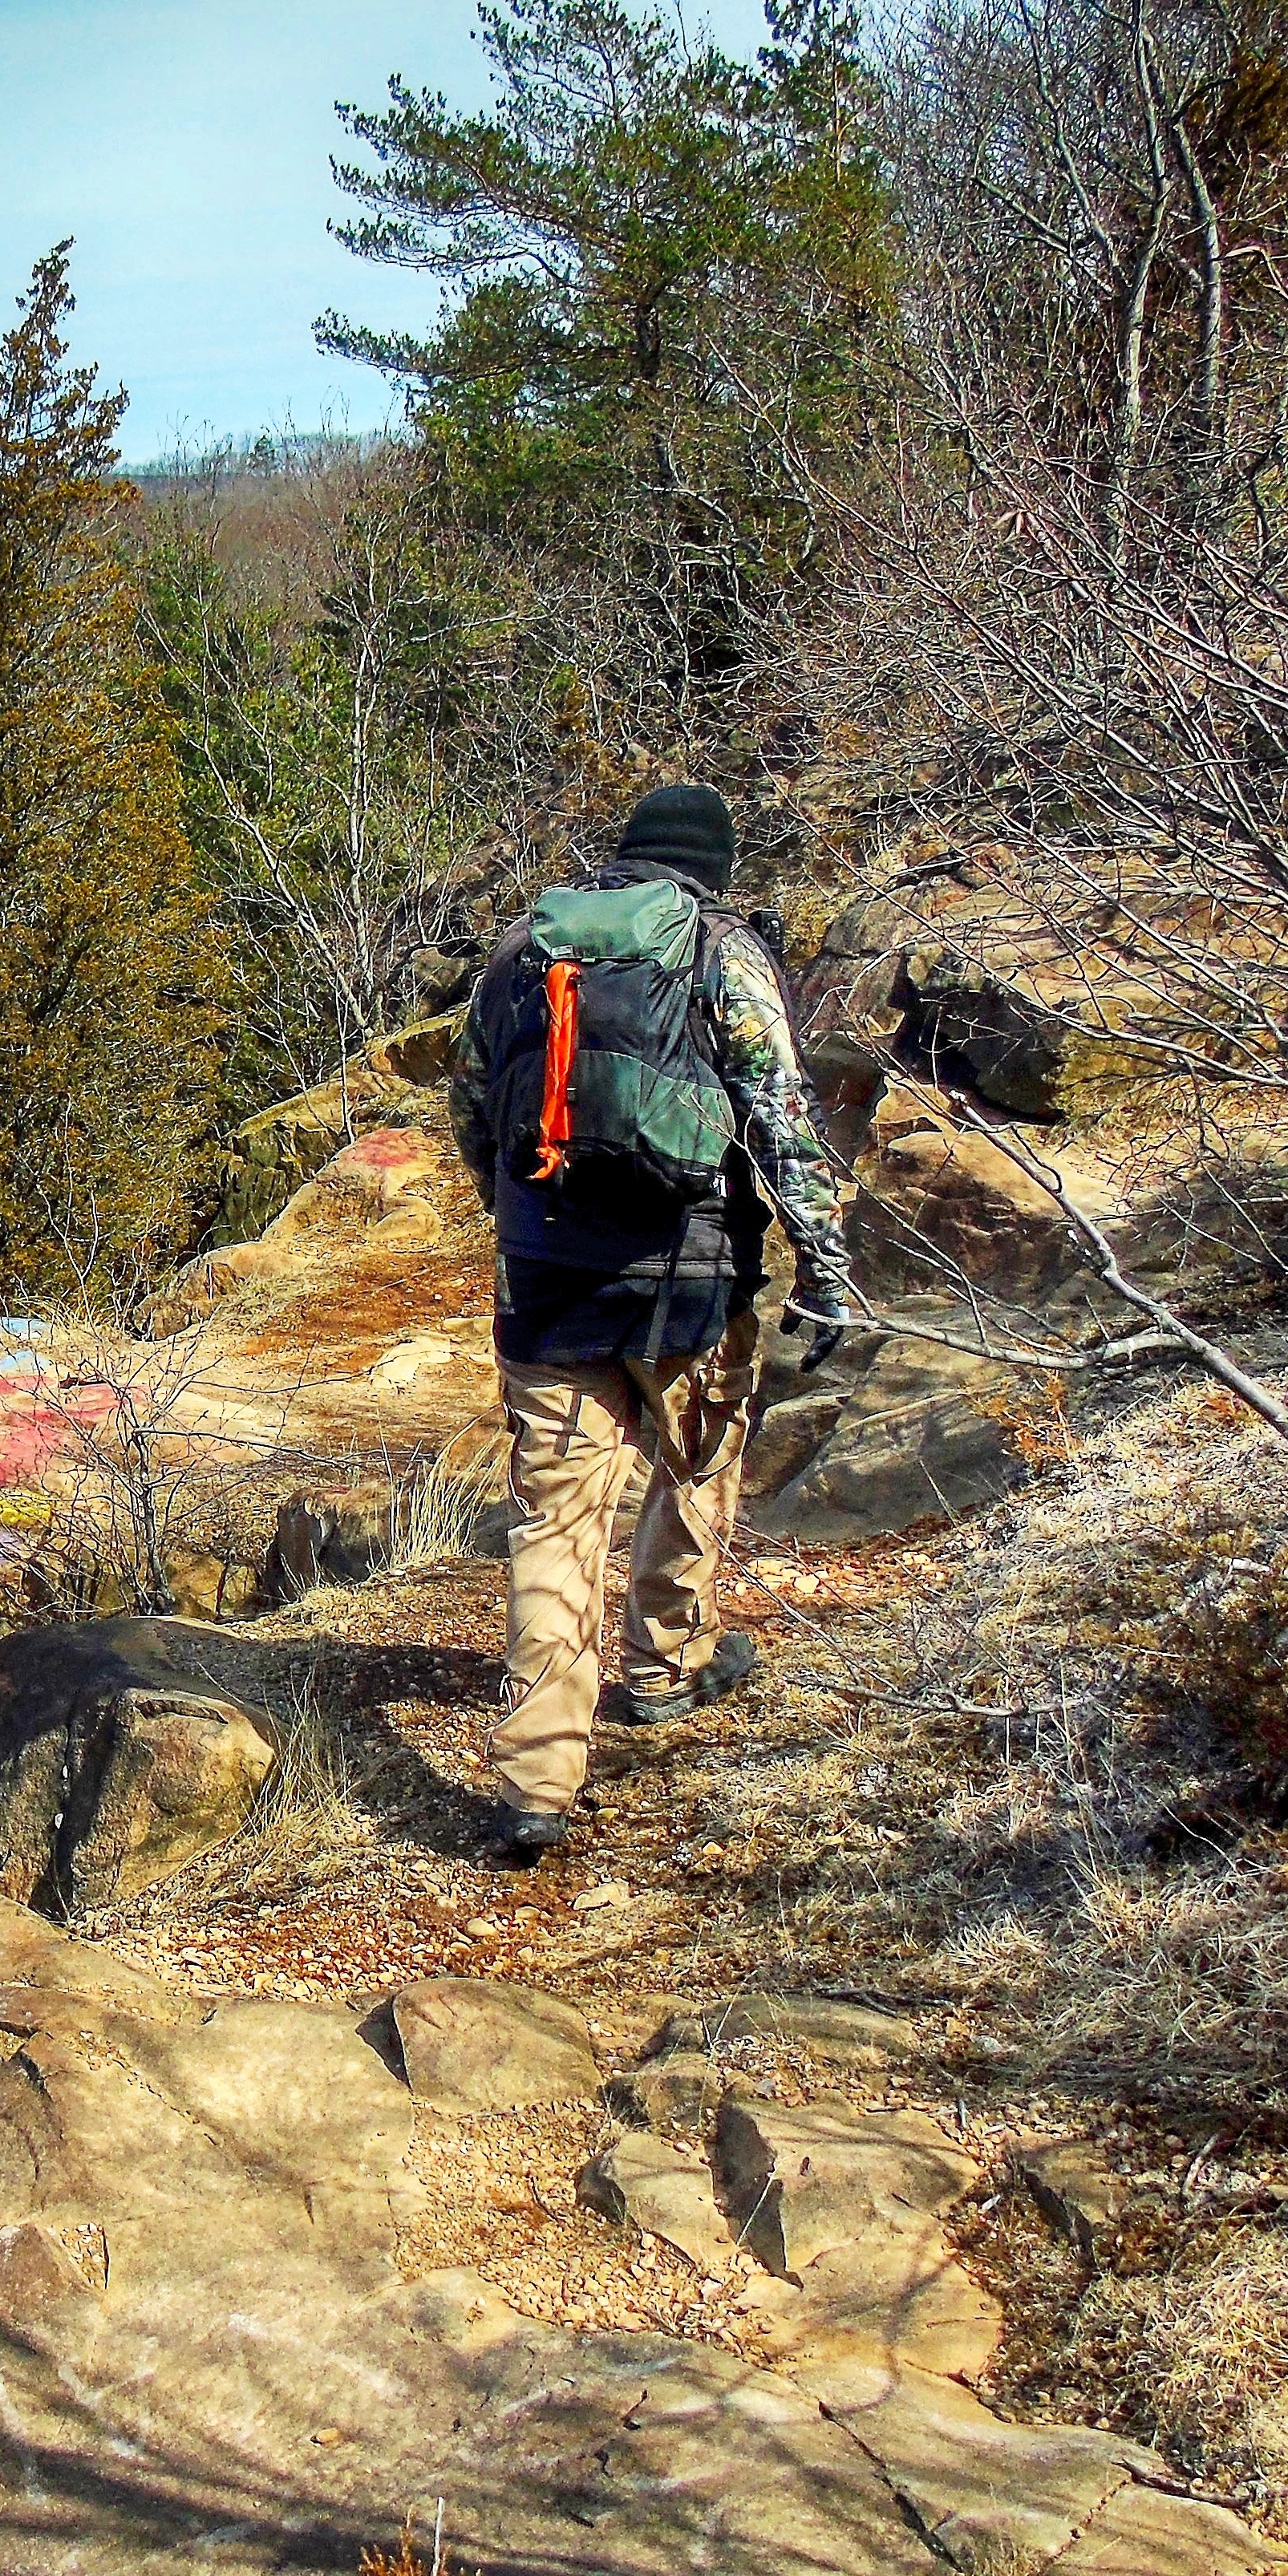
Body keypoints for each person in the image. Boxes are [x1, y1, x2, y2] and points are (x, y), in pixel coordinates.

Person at [445, 782, 863, 1854]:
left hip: (547, 1289)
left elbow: (472, 1111)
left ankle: (538, 1782)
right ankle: (667, 1666)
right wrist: (825, 1267)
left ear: (625, 856)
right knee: (697, 1468)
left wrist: (523, 1220)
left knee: (553, 1527)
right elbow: (780, 1116)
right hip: (691, 1281)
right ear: (713, 868)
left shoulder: (521, 950)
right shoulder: (723, 951)